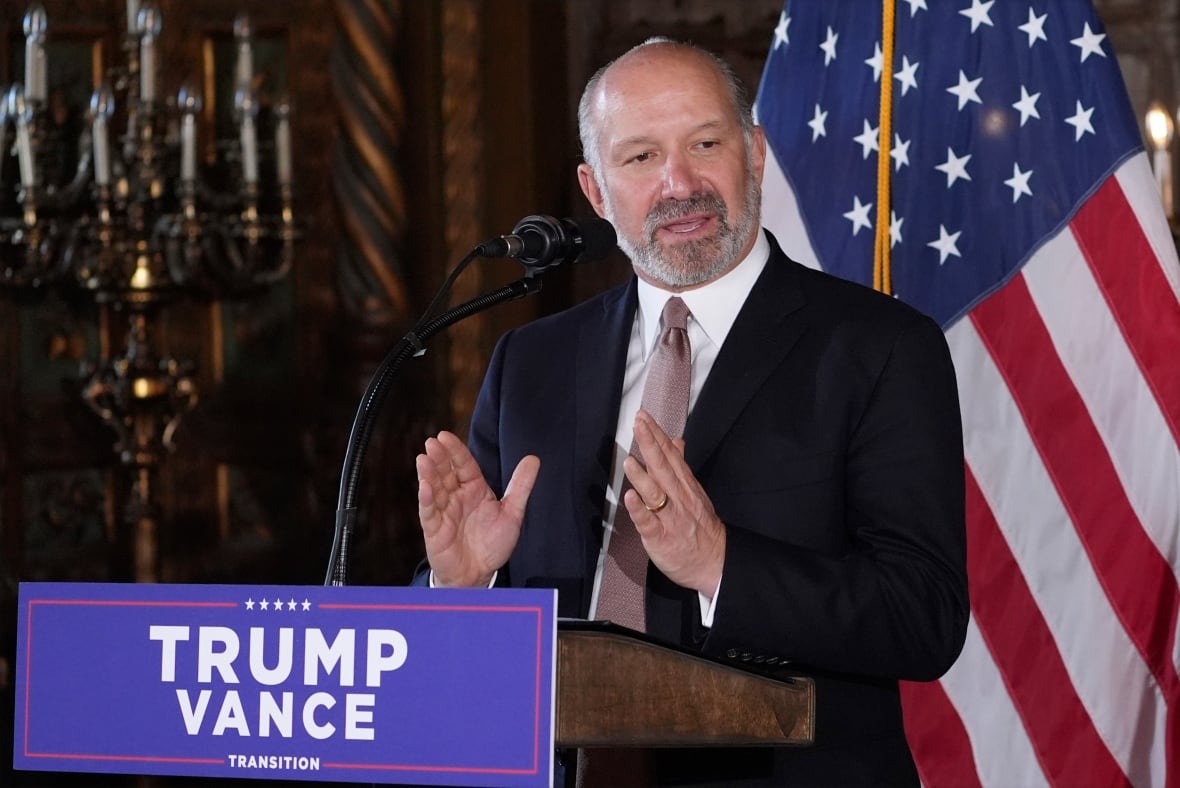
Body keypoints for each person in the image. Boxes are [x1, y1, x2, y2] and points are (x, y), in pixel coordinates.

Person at [415, 37, 968, 787]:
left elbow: (924, 617)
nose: (679, 183)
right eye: (641, 157)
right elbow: (465, 648)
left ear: (755, 154)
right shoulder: (532, 361)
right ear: (595, 191)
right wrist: (462, 588)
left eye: (705, 144)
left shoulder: (880, 347)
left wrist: (719, 565)